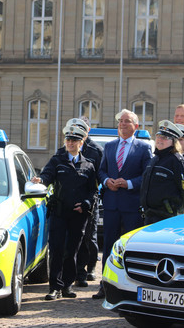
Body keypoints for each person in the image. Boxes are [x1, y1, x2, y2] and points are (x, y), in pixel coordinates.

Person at [31, 123, 96, 301]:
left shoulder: (88, 165)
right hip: (59, 212)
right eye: (68, 140)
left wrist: (86, 203)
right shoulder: (57, 160)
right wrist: (40, 180)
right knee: (57, 250)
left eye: (74, 140)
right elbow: (47, 176)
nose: (70, 143)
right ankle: (54, 287)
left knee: (71, 251)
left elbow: (93, 191)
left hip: (78, 215)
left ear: (81, 142)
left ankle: (67, 285)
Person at [93, 109, 152, 299]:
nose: (123, 124)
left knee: (130, 247)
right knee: (109, 246)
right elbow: (101, 171)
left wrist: (129, 183)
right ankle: (105, 284)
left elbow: (147, 176)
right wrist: (106, 181)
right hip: (111, 203)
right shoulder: (109, 146)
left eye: (127, 121)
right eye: (120, 121)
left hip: (131, 206)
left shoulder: (143, 148)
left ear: (136, 126)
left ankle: (129, 286)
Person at [140, 120, 184, 225]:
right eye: (158, 136)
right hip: (150, 216)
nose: (160, 140)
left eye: (165, 138)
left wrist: (180, 212)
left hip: (168, 218)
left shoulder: (178, 162)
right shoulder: (155, 159)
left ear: (174, 141)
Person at [73, 116, 102, 287]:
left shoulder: (96, 150)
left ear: (88, 130)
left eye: (81, 127)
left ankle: (90, 267)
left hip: (90, 200)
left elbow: (100, 176)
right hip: (72, 199)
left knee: (89, 239)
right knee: (75, 238)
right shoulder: (67, 146)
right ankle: (79, 272)